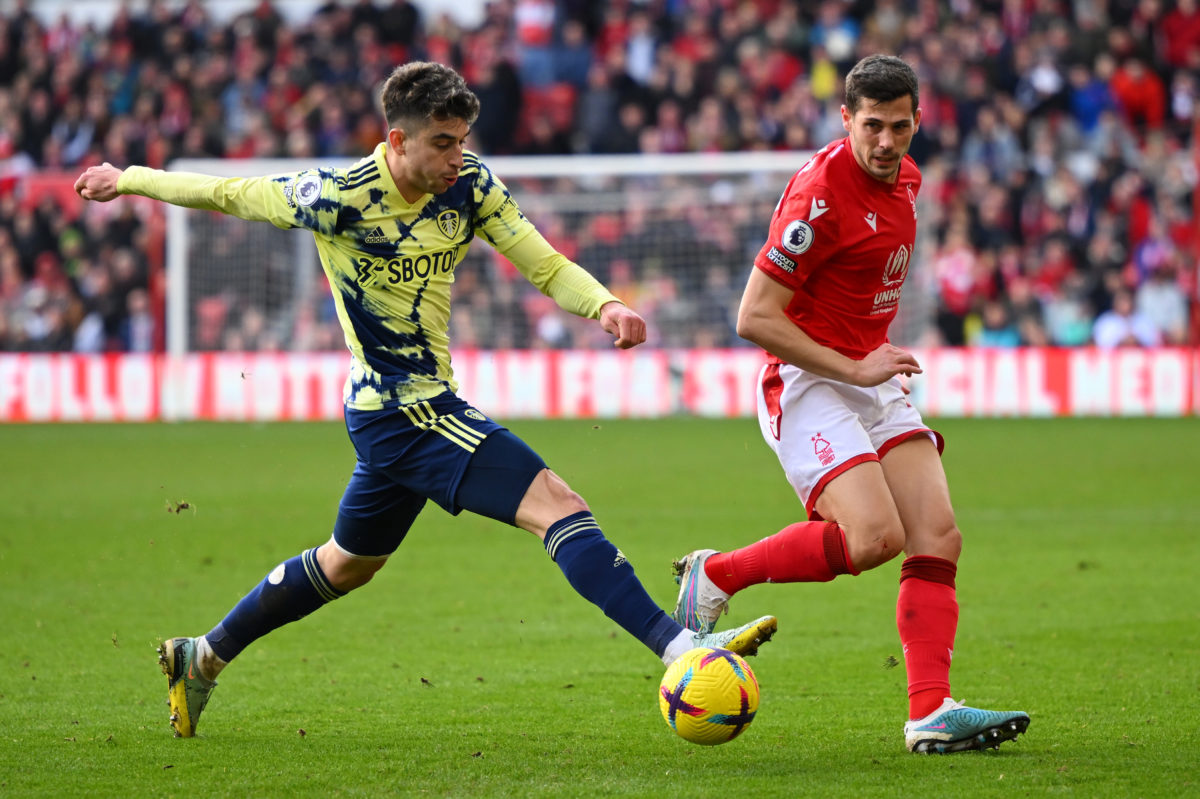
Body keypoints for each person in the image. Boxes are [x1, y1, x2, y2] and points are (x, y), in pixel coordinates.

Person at [75, 61, 777, 738]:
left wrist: (604, 305)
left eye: (462, 140)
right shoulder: (338, 197)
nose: (456, 156)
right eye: (442, 143)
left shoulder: (469, 185)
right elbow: (228, 193)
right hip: (402, 410)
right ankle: (679, 645)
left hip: (406, 412)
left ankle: (203, 655)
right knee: (557, 504)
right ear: (398, 140)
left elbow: (542, 261)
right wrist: (127, 179)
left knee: (348, 562)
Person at [669, 55, 1029, 754]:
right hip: (806, 379)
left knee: (937, 534)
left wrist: (871, 367)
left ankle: (929, 710)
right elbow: (754, 317)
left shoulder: (909, 178)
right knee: (873, 538)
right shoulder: (820, 198)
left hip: (872, 376)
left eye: (900, 126)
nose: (887, 142)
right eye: (872, 126)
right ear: (845, 118)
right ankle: (715, 574)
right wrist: (854, 366)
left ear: (918, 119)